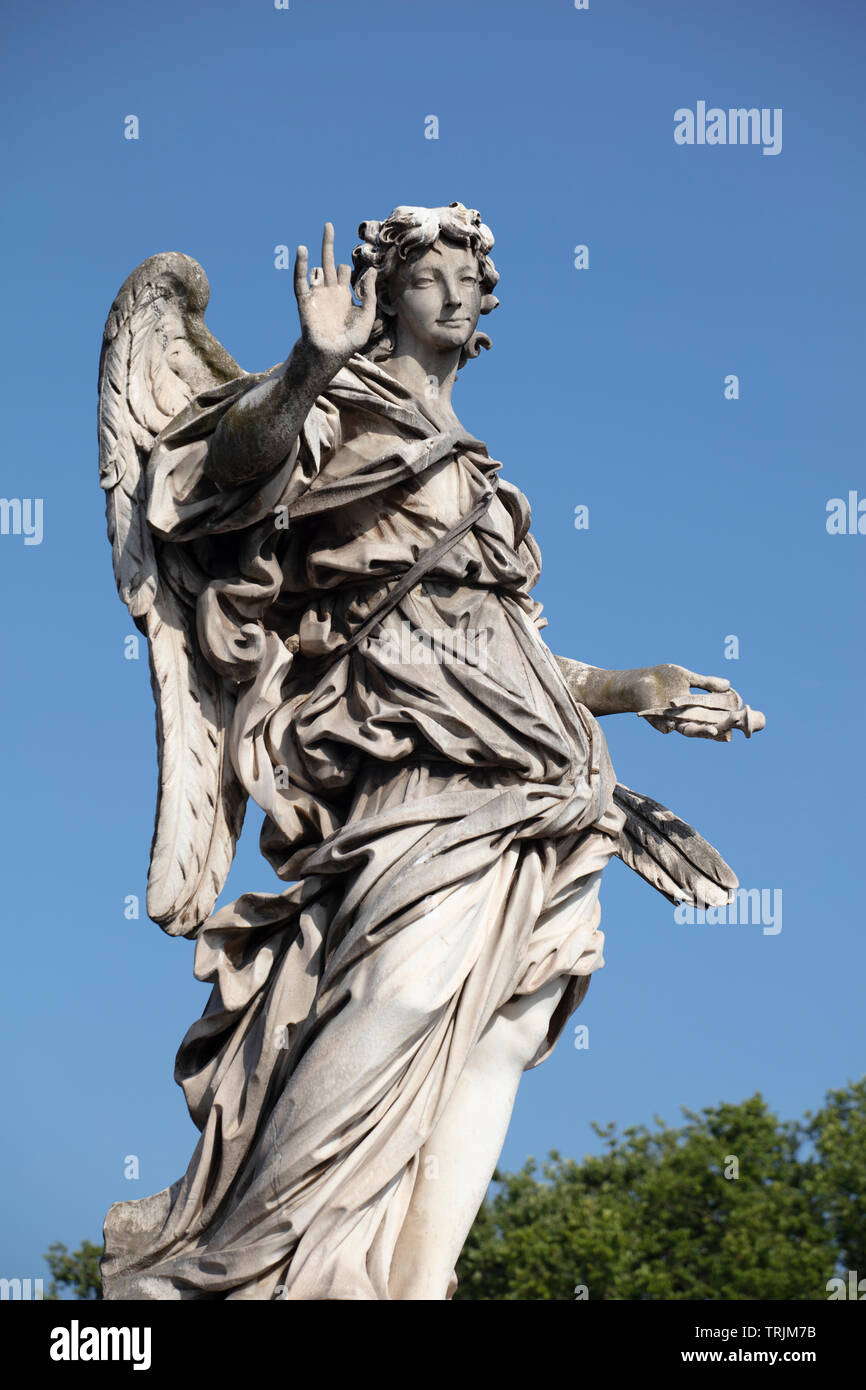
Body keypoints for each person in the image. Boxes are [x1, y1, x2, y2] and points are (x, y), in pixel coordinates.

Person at [102, 204, 746, 1300]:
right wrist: (310, 362)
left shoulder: (488, 482)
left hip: (536, 772)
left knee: (506, 1021)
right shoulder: (334, 405)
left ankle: (414, 1283)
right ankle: (250, 1266)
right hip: (408, 757)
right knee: (399, 998)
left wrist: (634, 688)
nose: (454, 294)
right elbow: (217, 478)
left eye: (468, 278)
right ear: (382, 292)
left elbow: (511, 645)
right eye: (426, 276)